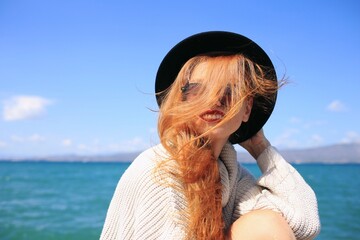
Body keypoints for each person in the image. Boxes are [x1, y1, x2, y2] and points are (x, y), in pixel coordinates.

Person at [100, 31, 321, 240]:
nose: (214, 101)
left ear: (247, 109)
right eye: (198, 90)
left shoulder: (231, 175)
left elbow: (303, 223)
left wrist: (260, 146)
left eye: (230, 92)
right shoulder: (160, 168)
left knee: (263, 224)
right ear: (180, 100)